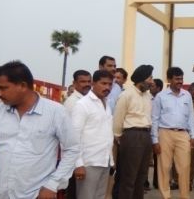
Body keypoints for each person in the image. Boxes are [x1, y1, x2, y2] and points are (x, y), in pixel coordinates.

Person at [0, 61, 80, 199]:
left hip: (36, 194)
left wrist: (52, 185)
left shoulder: (55, 112)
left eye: (3, 88)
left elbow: (72, 149)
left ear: (22, 86)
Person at [151, 67, 194, 199]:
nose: (180, 81)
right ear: (169, 79)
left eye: (181, 79)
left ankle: (185, 196)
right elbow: (154, 119)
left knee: (184, 167)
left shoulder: (187, 95)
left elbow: (191, 117)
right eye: (177, 79)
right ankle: (166, 196)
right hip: (165, 133)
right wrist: (155, 140)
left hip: (183, 134)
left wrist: (193, 135)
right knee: (164, 168)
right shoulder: (160, 96)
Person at [71, 70, 115, 199]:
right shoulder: (83, 105)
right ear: (93, 83)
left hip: (104, 160)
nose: (107, 87)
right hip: (88, 162)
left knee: (100, 196)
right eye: (103, 83)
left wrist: (110, 159)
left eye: (110, 84)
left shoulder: (106, 104)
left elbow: (106, 133)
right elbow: (74, 136)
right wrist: (78, 164)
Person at [113, 64, 154, 199]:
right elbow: (118, 117)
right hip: (131, 136)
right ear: (141, 79)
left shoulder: (148, 96)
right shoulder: (126, 95)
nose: (152, 82)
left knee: (142, 177)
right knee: (129, 177)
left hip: (146, 136)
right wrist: (119, 136)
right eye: (150, 78)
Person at [63, 69, 92, 199]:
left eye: (89, 81)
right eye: (82, 81)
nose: (87, 84)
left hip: (86, 156)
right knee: (74, 193)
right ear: (74, 83)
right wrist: (77, 163)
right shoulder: (72, 103)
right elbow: (71, 135)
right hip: (75, 158)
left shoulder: (87, 100)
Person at [148, 78, 164, 190]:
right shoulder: (146, 98)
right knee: (144, 159)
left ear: (159, 88)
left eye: (153, 86)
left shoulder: (163, 99)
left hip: (159, 133)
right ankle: (144, 182)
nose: (150, 87)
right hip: (145, 132)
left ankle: (157, 182)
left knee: (159, 158)